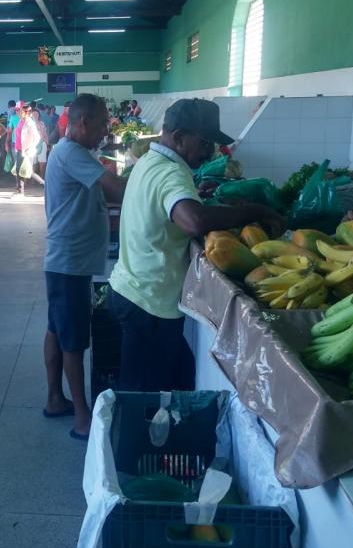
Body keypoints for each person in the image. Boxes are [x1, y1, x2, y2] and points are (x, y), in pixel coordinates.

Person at [108, 99, 285, 392]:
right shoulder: (171, 172)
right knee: (143, 397)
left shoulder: (150, 161)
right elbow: (193, 222)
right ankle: (133, 437)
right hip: (148, 303)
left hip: (133, 290)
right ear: (179, 137)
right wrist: (255, 211)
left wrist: (193, 195)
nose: (209, 153)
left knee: (177, 375)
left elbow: (169, 206)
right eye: (204, 144)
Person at [43, 94, 126, 440]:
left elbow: (98, 195)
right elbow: (117, 190)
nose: (106, 130)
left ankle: (55, 399)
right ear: (83, 122)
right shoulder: (73, 154)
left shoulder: (74, 153)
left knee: (57, 330)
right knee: (74, 340)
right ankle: (81, 417)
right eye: (103, 122)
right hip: (70, 264)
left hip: (66, 261)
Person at [12, 102, 45, 195]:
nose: (19, 113)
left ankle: (44, 184)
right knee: (19, 170)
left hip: (26, 150)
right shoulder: (20, 121)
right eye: (18, 111)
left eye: (21, 111)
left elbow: (37, 137)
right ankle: (20, 189)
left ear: (26, 113)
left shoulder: (30, 123)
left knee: (28, 171)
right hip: (19, 149)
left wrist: (30, 147)